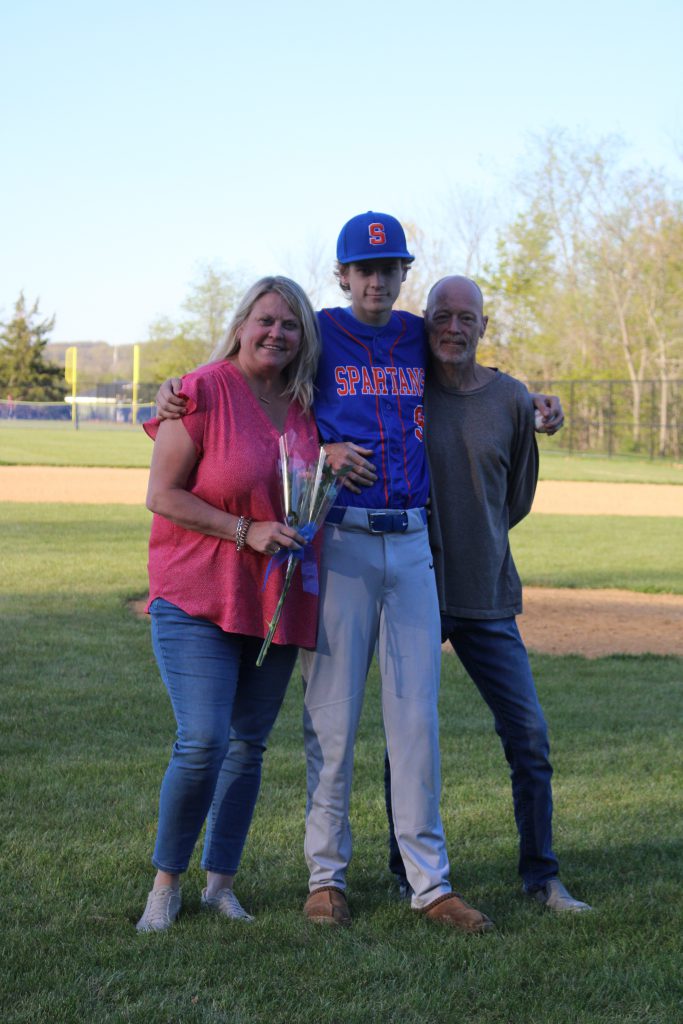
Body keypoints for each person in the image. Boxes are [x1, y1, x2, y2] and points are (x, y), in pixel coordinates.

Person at [155, 211, 563, 933]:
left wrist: (529, 400)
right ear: (341, 276)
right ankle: (325, 877)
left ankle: (429, 883)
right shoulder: (315, 333)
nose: (376, 280)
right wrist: (173, 394)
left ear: (403, 275)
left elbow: (472, 375)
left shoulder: (415, 333)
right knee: (331, 721)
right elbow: (251, 377)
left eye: (389, 269)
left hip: (411, 544)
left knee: (415, 720)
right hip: (336, 542)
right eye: (363, 269)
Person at [384, 275, 590, 913]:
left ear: (483, 326)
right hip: (416, 590)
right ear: (424, 320)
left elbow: (516, 499)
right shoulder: (403, 386)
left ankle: (542, 876)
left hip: (487, 592)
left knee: (528, 733)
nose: (452, 326)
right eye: (440, 315)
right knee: (408, 739)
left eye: (464, 317)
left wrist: (480, 537)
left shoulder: (510, 398)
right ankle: (406, 872)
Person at [136, 276, 323, 932]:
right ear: (242, 323)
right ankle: (166, 884)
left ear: (304, 338)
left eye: (290, 324)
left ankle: (220, 884)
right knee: (204, 740)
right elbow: (163, 494)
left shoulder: (307, 404)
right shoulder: (203, 388)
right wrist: (247, 531)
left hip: (276, 599)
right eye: (265, 320)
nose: (276, 333)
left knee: (248, 745)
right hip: (197, 593)